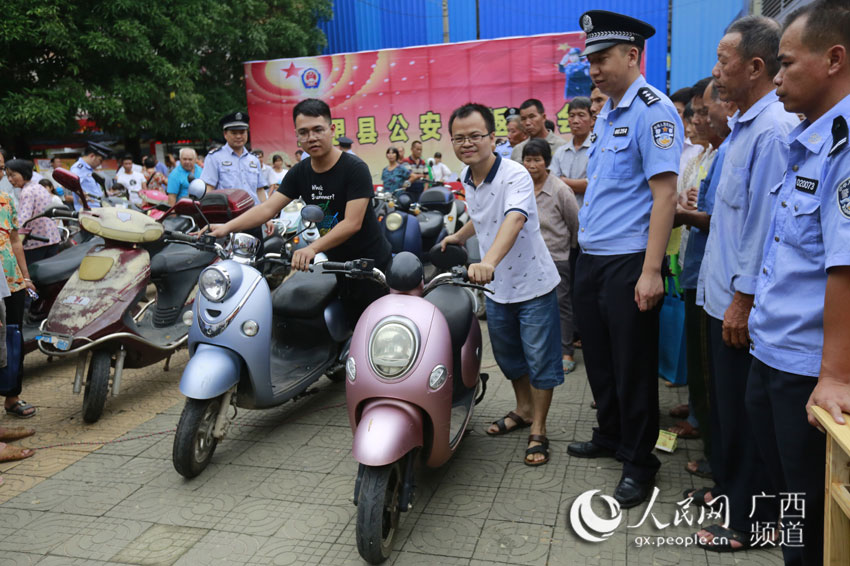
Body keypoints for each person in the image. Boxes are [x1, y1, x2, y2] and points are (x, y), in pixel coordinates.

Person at [565, 10, 683, 509]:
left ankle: (640, 462)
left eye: (602, 58)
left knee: (632, 366)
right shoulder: (610, 111)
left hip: (629, 261)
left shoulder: (653, 111)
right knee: (601, 358)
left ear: (633, 56)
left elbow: (665, 196)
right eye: (589, 60)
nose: (593, 68)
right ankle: (610, 434)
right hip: (591, 258)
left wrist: (651, 271)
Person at [747, 3, 850, 564]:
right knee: (788, 496)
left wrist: (834, 375)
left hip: (808, 369)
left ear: (834, 59)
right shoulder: (811, 137)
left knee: (808, 512)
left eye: (786, 64)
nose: (777, 78)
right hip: (774, 349)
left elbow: (845, 265)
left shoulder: (845, 145)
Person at [692, 15, 800, 551]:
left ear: (755, 67)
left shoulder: (775, 132)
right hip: (719, 297)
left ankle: (752, 521)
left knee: (748, 416)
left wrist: (741, 299)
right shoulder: (742, 130)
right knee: (729, 409)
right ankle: (732, 492)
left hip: (741, 304)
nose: (716, 72)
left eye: (722, 61)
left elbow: (763, 229)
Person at [441, 103, 562, 466]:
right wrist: (459, 237)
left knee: (540, 359)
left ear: (492, 138)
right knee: (509, 358)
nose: (467, 143)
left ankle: (538, 428)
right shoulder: (466, 175)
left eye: (475, 136)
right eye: (459, 138)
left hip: (533, 285)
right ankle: (523, 409)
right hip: (496, 289)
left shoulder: (515, 175)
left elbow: (513, 218)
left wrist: (488, 261)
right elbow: (483, 217)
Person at [209, 99, 391, 322]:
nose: (311, 137)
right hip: (336, 265)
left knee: (372, 330)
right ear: (297, 136)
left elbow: (352, 223)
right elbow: (267, 208)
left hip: (369, 266)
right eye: (304, 132)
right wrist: (225, 228)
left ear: (331, 130)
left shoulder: (355, 169)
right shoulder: (300, 172)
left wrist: (311, 249)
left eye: (318, 130)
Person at [523, 138, 580, 374]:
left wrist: (572, 253)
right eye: (528, 160)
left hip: (556, 257)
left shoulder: (560, 190)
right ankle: (539, 351)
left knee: (560, 304)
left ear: (546, 162)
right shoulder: (520, 187)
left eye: (537, 160)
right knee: (533, 306)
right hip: (527, 258)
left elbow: (575, 224)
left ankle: (566, 351)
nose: (532, 165)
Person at [0, 153, 37, 420]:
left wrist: (25, 277)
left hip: (11, 283)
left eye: (1, 168)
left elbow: (15, 242)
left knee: (13, 339)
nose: (1, 174)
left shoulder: (6, 200)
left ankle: (12, 397)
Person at [202, 112, 268, 207]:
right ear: (225, 134)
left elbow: (260, 190)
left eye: (242, 132)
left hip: (253, 215)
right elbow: (209, 189)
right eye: (234, 133)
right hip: (227, 216)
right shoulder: (214, 158)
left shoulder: (254, 160)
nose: (238, 136)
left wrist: (267, 216)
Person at [5, 160, 62, 263]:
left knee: (34, 275)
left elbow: (23, 219)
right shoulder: (39, 186)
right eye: (8, 176)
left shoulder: (27, 191)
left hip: (36, 242)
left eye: (13, 175)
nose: (9, 179)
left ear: (24, 173)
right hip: (52, 237)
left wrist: (9, 231)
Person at [550, 97, 592, 208]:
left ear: (592, 119)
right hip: (564, 216)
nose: (575, 121)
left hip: (591, 214)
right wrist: (580, 184)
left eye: (581, 115)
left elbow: (593, 185)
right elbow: (551, 183)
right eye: (572, 116)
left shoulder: (598, 149)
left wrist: (562, 180)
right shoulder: (561, 152)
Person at [69, 142, 111, 209]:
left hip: (96, 208)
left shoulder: (88, 169)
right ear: (92, 156)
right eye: (100, 160)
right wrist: (82, 195)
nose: (100, 164)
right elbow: (73, 185)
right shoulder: (79, 168)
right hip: (88, 210)